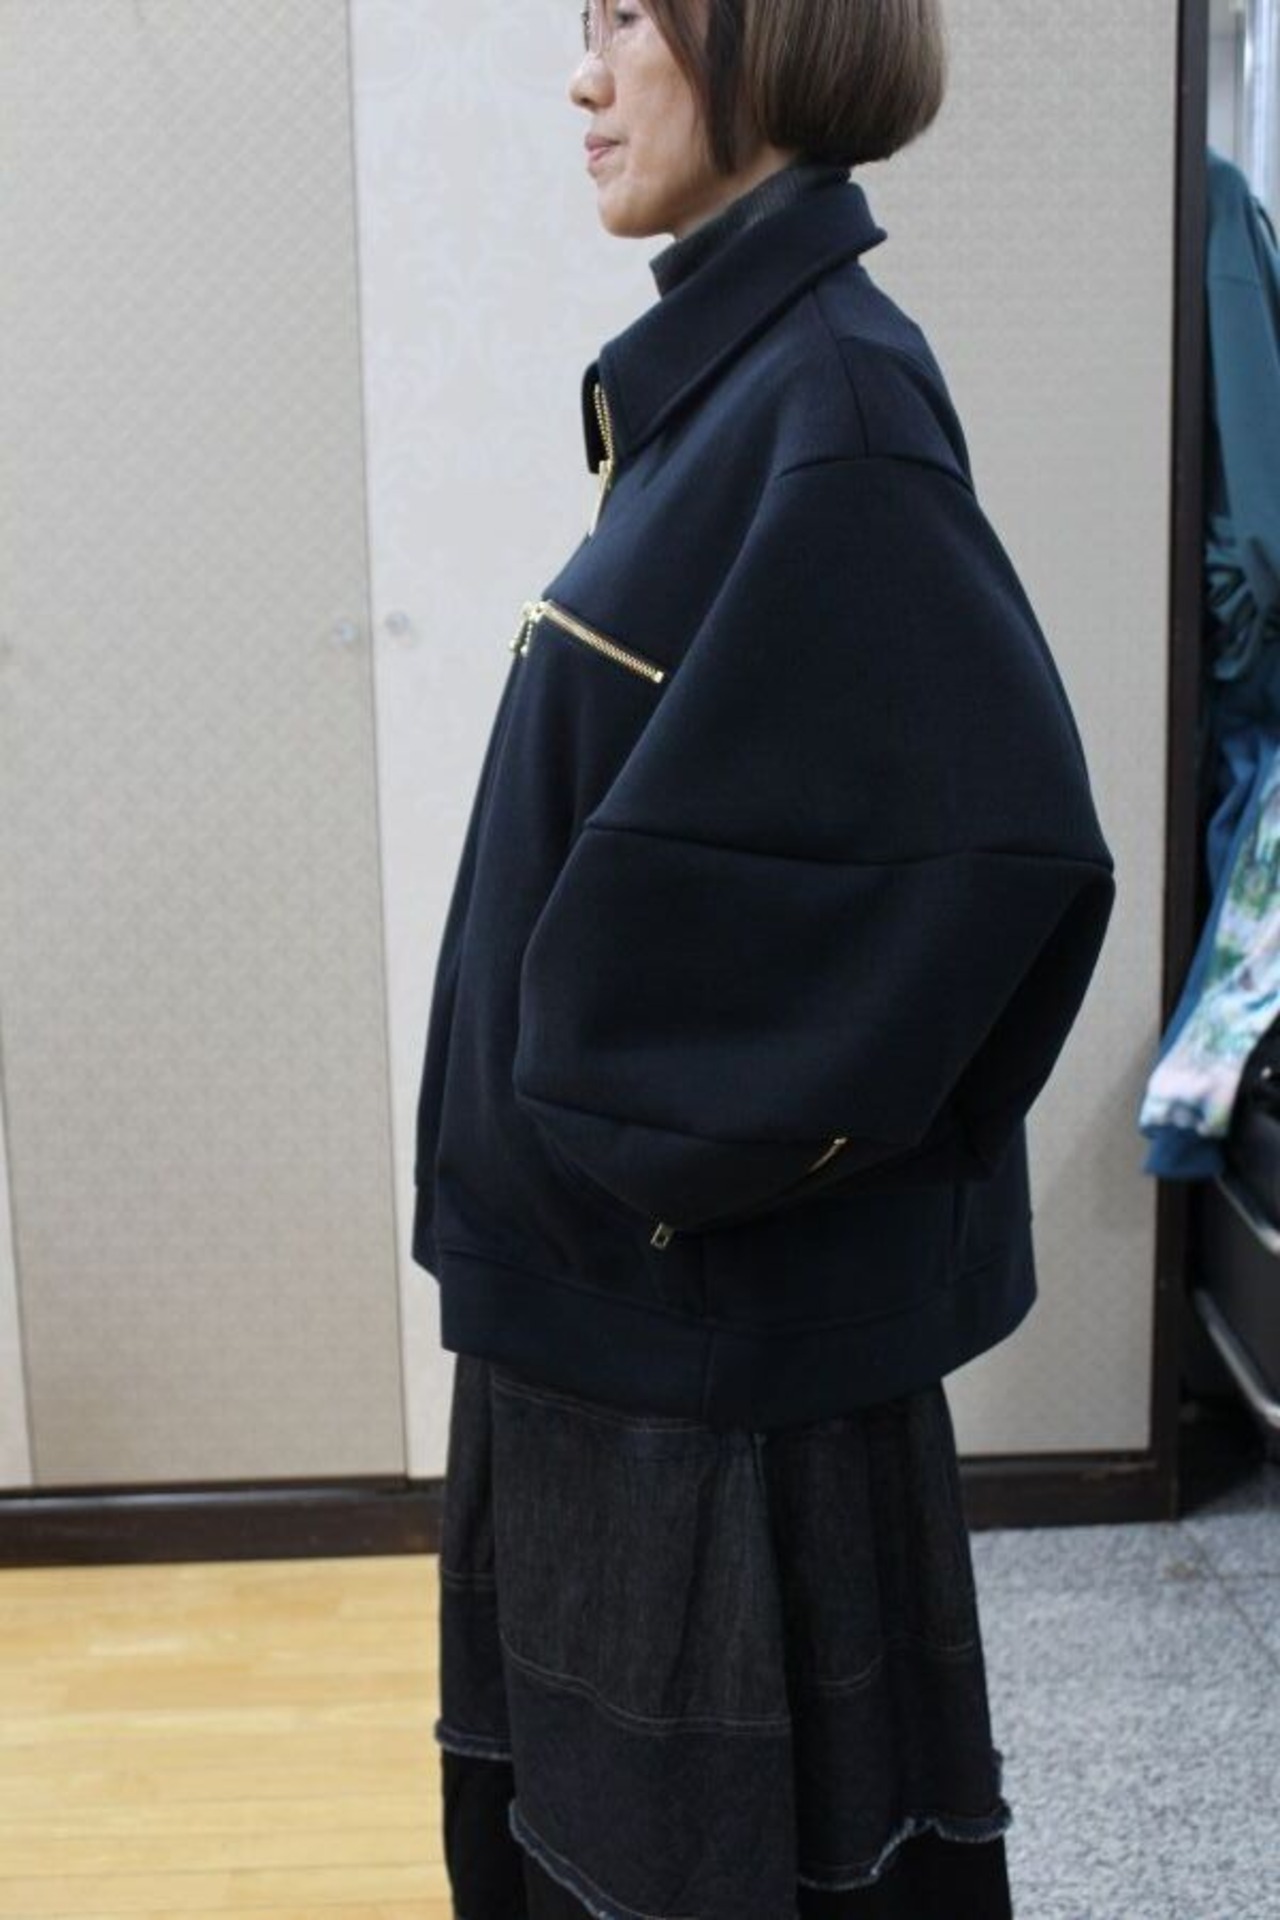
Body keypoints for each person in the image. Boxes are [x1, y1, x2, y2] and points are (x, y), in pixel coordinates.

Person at [415, 3, 1117, 1916]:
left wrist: (629, 1131)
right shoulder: (730, 391)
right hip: (604, 1313)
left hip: (689, 1350)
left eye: (630, 18)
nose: (585, 77)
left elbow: (993, 861)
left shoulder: (837, 404)